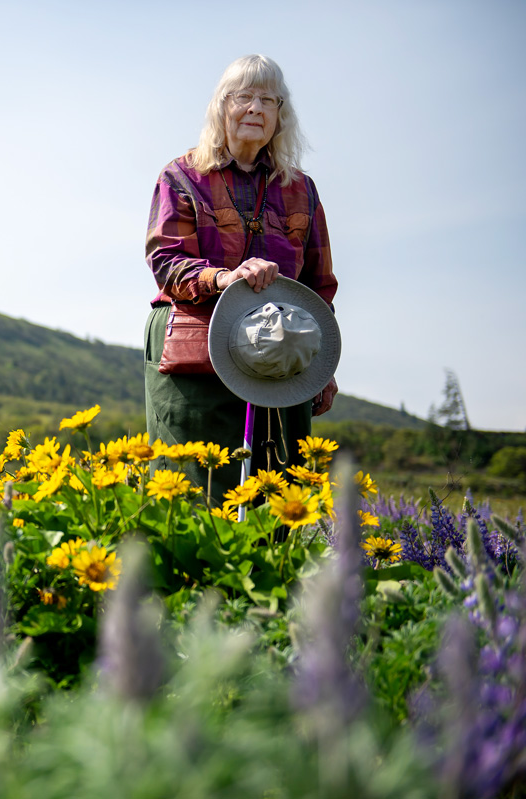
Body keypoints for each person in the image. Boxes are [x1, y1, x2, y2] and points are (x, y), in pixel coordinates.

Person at [143, 54, 338, 505]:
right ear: (221, 107)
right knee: (193, 493)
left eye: (268, 100)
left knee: (279, 495)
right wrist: (225, 278)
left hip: (281, 354)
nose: (255, 108)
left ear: (280, 116)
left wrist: (324, 365)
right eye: (244, 96)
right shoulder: (182, 175)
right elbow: (166, 260)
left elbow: (318, 285)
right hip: (196, 348)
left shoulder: (301, 190)